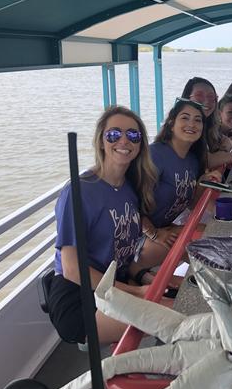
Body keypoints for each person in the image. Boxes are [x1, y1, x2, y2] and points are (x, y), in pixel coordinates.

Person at [47, 106, 158, 344]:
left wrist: (144, 278)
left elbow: (121, 252)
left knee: (181, 302)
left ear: (140, 145)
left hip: (115, 285)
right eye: (114, 134)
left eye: (133, 135)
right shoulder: (79, 191)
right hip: (80, 299)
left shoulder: (130, 189)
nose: (124, 140)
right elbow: (72, 269)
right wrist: (135, 292)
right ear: (101, 141)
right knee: (178, 318)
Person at [139, 98, 221, 265]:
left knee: (217, 235)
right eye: (185, 117)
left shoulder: (193, 160)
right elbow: (129, 202)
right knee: (205, 252)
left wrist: (202, 183)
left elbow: (190, 203)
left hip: (165, 228)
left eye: (198, 120)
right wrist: (154, 233)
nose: (192, 124)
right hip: (139, 237)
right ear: (171, 123)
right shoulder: (155, 155)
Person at [181, 77, 232, 169]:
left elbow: (221, 139)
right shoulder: (184, 127)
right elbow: (207, 160)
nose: (207, 101)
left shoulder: (207, 124)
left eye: (211, 97)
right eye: (199, 96)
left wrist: (228, 141)